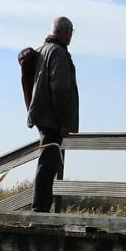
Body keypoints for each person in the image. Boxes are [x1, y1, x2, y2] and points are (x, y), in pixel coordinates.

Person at [26, 16, 79, 212]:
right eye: (71, 32)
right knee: (48, 166)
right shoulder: (58, 53)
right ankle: (40, 210)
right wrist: (64, 121)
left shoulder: (42, 50)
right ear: (66, 32)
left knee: (47, 163)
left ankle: (40, 208)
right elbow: (60, 90)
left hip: (42, 116)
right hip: (52, 119)